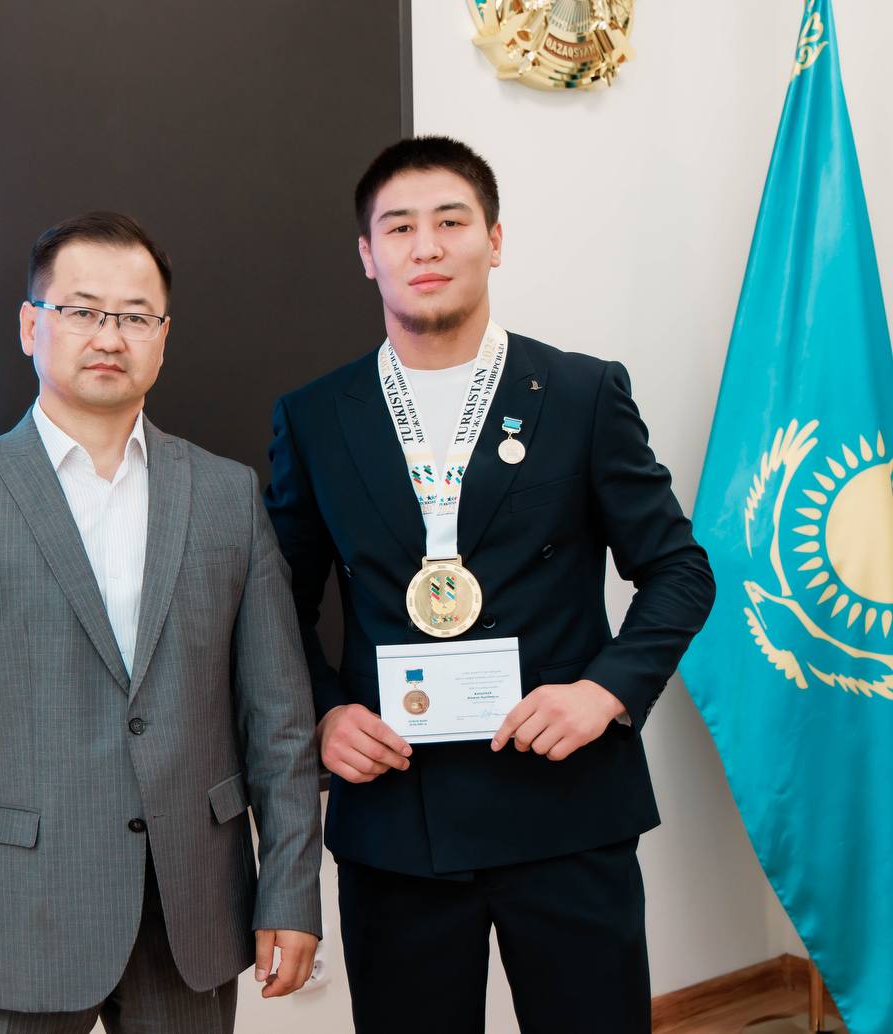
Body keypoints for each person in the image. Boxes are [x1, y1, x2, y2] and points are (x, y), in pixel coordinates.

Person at [264, 136, 716, 1033]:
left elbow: (679, 569)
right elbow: (276, 603)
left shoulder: (582, 393)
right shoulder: (314, 416)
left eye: (451, 221)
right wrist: (323, 713)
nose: (426, 246)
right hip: (396, 812)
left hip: (567, 803)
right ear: (368, 255)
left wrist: (605, 693)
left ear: (495, 240)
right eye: (399, 227)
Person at [0, 211, 322, 1033]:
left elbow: (279, 719)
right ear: (30, 326)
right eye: (80, 310)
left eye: (135, 316)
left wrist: (290, 890)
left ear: (163, 338)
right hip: (12, 918)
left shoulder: (225, 495)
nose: (110, 336)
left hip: (190, 911)